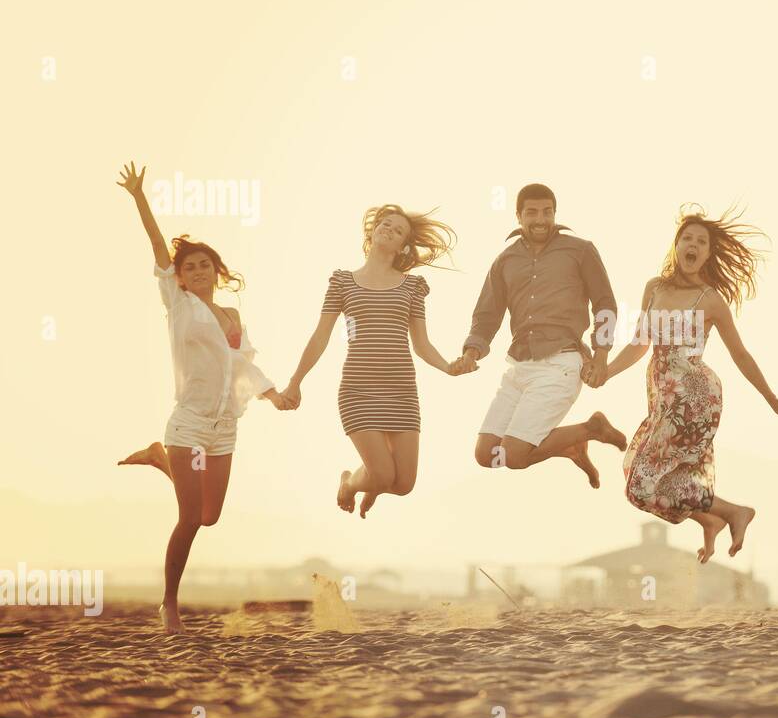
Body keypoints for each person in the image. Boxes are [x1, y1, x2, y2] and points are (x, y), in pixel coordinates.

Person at [115, 161, 289, 634]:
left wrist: (273, 394)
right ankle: (169, 604)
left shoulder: (231, 315)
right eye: (188, 267)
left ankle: (158, 459)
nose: (195, 270)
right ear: (182, 277)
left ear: (216, 271)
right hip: (188, 423)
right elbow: (156, 246)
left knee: (210, 517)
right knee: (189, 517)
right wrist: (139, 198)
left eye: (203, 264)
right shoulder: (179, 304)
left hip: (224, 428)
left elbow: (242, 366)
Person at [606, 206, 778, 563]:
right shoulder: (654, 288)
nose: (692, 244)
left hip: (694, 395)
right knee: (642, 478)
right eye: (686, 238)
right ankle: (710, 519)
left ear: (708, 253)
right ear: (676, 246)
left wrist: (772, 399)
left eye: (701, 241)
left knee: (642, 482)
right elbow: (639, 343)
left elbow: (741, 355)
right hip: (662, 395)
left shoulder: (711, 300)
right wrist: (606, 373)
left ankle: (733, 512)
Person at [282, 204, 462, 518]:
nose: (388, 229)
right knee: (381, 474)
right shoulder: (342, 282)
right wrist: (295, 381)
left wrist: (448, 367)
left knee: (404, 484)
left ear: (403, 246)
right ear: (372, 231)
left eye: (398, 230)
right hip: (358, 391)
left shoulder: (412, 287)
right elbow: (321, 336)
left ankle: (373, 484)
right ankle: (351, 483)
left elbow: (421, 344)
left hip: (402, 393)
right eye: (385, 224)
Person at [448, 184, 626, 487]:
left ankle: (590, 429)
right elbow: (486, 316)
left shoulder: (580, 250)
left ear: (555, 213)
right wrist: (471, 353)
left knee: (514, 457)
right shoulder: (504, 260)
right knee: (488, 455)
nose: (540, 219)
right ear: (518, 215)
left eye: (547, 212)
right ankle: (569, 446)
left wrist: (601, 355)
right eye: (531, 212)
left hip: (562, 364)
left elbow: (605, 304)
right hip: (519, 366)